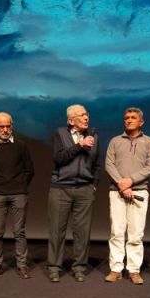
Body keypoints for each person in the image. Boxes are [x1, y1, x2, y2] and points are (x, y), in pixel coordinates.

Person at [47, 104, 100, 283]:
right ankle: (54, 267)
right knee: (57, 231)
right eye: (81, 115)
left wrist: (93, 185)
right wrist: (79, 145)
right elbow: (59, 158)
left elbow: (96, 165)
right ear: (71, 120)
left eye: (87, 114)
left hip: (84, 190)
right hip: (61, 189)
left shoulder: (94, 137)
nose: (86, 118)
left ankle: (79, 267)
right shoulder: (60, 133)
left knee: (82, 232)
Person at [104, 107, 150, 285]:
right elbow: (109, 164)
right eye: (126, 117)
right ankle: (116, 269)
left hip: (139, 191)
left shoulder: (149, 142)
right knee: (117, 231)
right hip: (117, 192)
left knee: (135, 234)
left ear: (141, 122)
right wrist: (122, 184)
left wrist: (131, 181)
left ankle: (134, 270)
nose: (129, 120)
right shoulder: (115, 141)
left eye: (133, 117)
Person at [0, 112, 35, 279]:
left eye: (8, 126)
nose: (5, 130)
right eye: (2, 127)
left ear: (11, 126)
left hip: (18, 194)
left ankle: (22, 265)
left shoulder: (21, 146)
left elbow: (30, 170)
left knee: (19, 232)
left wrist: (20, 185)